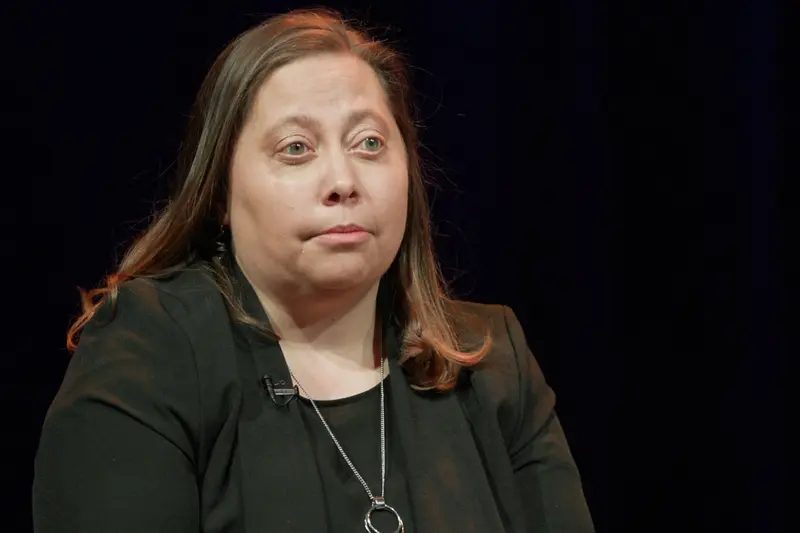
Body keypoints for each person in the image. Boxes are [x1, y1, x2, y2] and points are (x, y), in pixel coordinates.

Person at [32, 8, 594, 533]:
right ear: (220, 194)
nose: (343, 181)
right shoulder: (148, 349)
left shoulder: (492, 361)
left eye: (369, 143)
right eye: (296, 148)